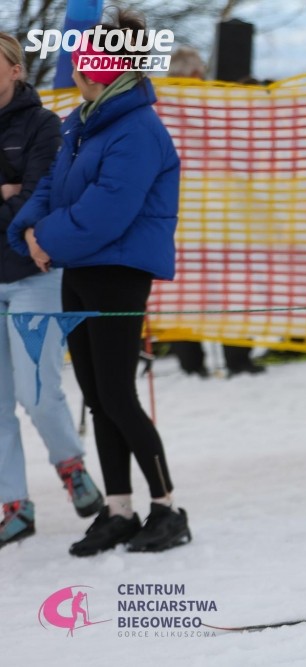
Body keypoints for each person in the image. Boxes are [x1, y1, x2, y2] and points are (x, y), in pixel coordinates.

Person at [8, 9, 192, 556]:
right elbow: (51, 187)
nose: (74, 75)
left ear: (104, 72)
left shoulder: (138, 130)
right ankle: (119, 509)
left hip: (118, 272)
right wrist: (29, 232)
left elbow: (107, 211)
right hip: (81, 268)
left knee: (117, 394)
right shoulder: (82, 121)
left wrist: (45, 241)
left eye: (81, 68)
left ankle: (167, 508)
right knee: (96, 396)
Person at [0, 32, 104, 549]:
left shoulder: (42, 124)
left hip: (34, 276)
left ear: (15, 70)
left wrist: (15, 200)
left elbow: (39, 200)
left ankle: (70, 466)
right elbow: (15, 200)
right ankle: (14, 503)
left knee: (36, 392)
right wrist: (7, 193)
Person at [165, 47, 266, 378]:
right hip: (220, 212)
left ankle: (190, 364)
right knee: (233, 286)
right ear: (197, 73)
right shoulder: (214, 103)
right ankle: (237, 359)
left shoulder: (157, 106)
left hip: (175, 214)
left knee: (182, 289)